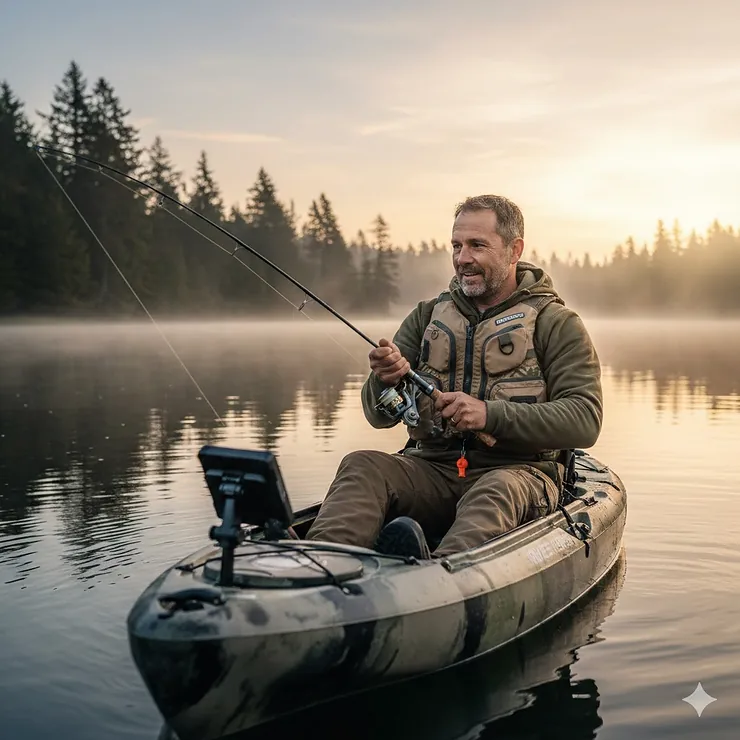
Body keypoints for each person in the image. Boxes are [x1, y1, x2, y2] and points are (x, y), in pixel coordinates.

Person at [305, 194, 603, 559]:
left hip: (519, 475)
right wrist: (385, 380)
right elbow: (376, 416)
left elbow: (586, 420)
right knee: (362, 464)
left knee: (496, 489)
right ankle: (318, 568)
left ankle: (438, 579)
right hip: (430, 470)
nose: (463, 259)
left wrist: (488, 414)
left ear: (514, 250)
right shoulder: (427, 316)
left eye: (477, 245)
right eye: (457, 246)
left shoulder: (557, 323)